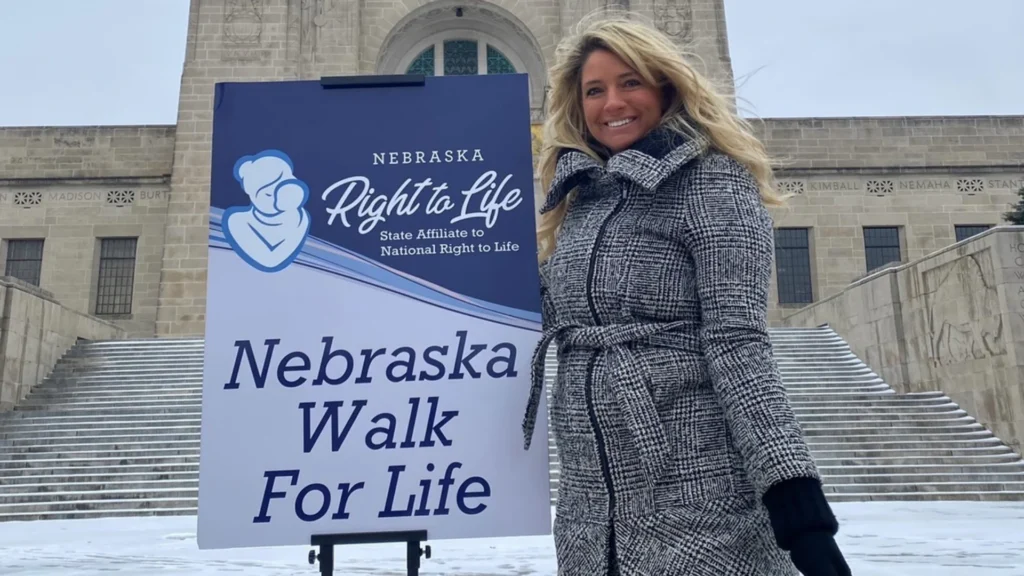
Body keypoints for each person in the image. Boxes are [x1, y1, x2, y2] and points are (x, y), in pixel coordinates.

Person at [520, 15, 853, 576]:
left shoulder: (713, 183)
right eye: (594, 90)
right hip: (587, 516)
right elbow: (550, 313)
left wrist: (800, 509)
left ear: (665, 86)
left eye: (630, 82)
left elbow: (738, 346)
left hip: (698, 504)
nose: (612, 103)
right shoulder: (581, 200)